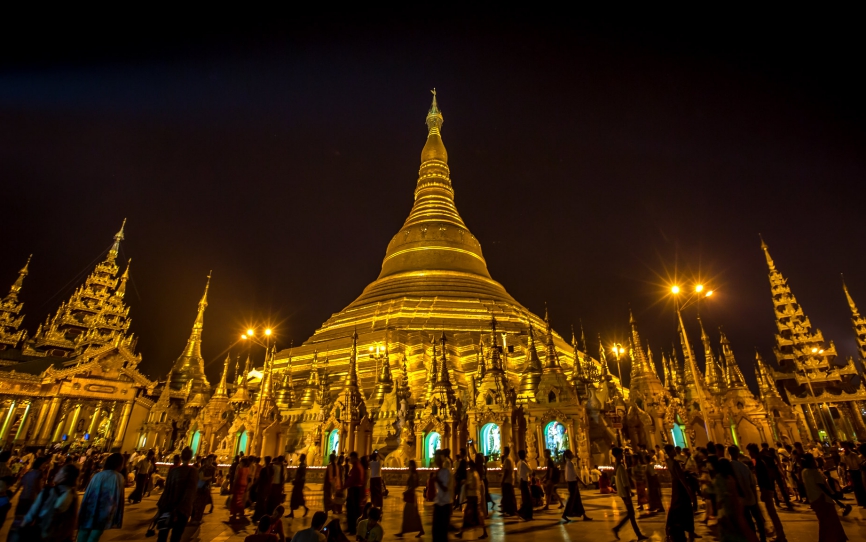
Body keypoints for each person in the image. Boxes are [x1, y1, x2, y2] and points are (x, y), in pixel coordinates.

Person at [21, 464, 80, 542]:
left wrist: (21, 530)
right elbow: (73, 521)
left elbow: (30, 515)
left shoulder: (48, 492)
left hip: (41, 535)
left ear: (64, 476)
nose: (56, 474)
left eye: (59, 472)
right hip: (61, 538)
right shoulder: (74, 496)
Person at [77, 453, 126, 542]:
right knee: (95, 535)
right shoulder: (118, 477)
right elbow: (118, 497)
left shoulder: (98, 475)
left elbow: (88, 494)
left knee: (83, 532)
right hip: (105, 510)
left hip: (90, 508)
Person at [801, 453, 848, 542]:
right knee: (832, 521)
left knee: (823, 522)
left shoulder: (804, 472)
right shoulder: (814, 472)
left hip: (813, 499)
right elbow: (823, 487)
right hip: (822, 499)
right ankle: (835, 538)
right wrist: (836, 499)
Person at [156, 447, 198, 542]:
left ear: (181, 456)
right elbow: (190, 492)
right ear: (191, 457)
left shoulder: (174, 471)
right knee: (176, 536)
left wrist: (160, 507)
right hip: (182, 509)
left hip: (168, 506)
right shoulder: (193, 472)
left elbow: (167, 490)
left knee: (162, 534)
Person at [747, 444, 787, 542]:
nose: (749, 454)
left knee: (772, 513)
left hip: (766, 489)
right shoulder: (760, 461)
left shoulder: (760, 462)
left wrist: (764, 490)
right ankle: (779, 534)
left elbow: (763, 478)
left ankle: (780, 535)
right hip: (767, 489)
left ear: (753, 451)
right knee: (771, 513)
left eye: (750, 452)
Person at [714, 459, 759, 542]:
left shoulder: (721, 479)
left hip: (728, 511)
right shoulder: (731, 478)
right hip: (735, 510)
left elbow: (724, 498)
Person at [728, 445, 765, 542]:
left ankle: (753, 538)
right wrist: (755, 498)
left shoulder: (729, 466)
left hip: (741, 499)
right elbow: (752, 483)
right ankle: (762, 537)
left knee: (748, 520)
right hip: (750, 496)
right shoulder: (744, 466)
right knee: (758, 518)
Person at [611, 446, 647, 541]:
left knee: (630, 514)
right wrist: (628, 495)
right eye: (621, 454)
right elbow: (625, 483)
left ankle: (619, 529)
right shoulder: (621, 467)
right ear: (618, 455)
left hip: (623, 493)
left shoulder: (616, 465)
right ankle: (635, 533)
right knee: (631, 514)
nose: (623, 456)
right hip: (625, 493)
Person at [664, 444, 695, 542]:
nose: (674, 452)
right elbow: (681, 477)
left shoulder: (668, 461)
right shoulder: (674, 463)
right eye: (673, 450)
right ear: (669, 452)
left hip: (675, 485)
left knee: (675, 506)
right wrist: (689, 490)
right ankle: (690, 530)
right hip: (680, 486)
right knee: (686, 507)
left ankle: (669, 528)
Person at [454, 457, 488, 539]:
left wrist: (466, 484)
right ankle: (462, 532)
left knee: (475, 515)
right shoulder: (472, 474)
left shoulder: (474, 474)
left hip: (474, 498)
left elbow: (473, 486)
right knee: (471, 515)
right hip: (472, 497)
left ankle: (463, 532)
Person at [396, 460, 424, 537]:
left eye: (409, 465)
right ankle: (418, 530)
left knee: (410, 513)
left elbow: (414, 485)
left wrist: (407, 491)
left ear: (412, 466)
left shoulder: (414, 474)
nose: (408, 466)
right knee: (412, 514)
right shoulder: (412, 473)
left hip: (411, 496)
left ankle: (403, 531)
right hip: (411, 495)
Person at [561, 450, 591, 522]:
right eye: (571, 453)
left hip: (571, 483)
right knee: (572, 500)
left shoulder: (568, 463)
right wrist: (583, 483)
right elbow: (575, 476)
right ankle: (565, 514)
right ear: (568, 455)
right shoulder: (570, 463)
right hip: (572, 484)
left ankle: (584, 515)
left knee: (577, 500)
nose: (573, 454)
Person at [432, 452, 453, 542]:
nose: (435, 460)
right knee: (435, 531)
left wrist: (437, 480)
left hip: (445, 504)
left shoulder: (446, 472)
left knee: (442, 532)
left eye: (437, 458)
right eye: (435, 458)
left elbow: (445, 489)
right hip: (438, 503)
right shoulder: (439, 472)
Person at [345, 452, 364, 535]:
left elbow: (351, 480)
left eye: (351, 458)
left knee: (352, 510)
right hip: (355, 490)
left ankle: (353, 529)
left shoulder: (356, 467)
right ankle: (351, 528)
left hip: (355, 490)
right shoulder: (357, 467)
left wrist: (343, 487)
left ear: (355, 458)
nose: (350, 460)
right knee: (352, 510)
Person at [287, 454, 309, 518]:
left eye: (300, 457)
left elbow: (301, 475)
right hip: (298, 483)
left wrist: (296, 481)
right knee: (297, 497)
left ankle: (304, 509)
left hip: (299, 484)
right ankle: (292, 512)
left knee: (296, 497)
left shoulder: (303, 466)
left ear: (303, 458)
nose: (299, 458)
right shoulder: (301, 465)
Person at [231, 457, 251, 521]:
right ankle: (241, 512)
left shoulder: (240, 469)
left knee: (236, 499)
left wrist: (233, 485)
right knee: (240, 499)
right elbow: (248, 478)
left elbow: (236, 478)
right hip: (244, 484)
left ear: (243, 463)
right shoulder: (248, 469)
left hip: (239, 484)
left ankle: (234, 513)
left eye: (241, 462)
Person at [253, 457, 273, 522]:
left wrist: (254, 485)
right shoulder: (271, 469)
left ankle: (258, 516)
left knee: (259, 502)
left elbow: (259, 478)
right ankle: (262, 515)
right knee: (263, 502)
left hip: (262, 486)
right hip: (268, 486)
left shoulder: (264, 469)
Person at [499, 447, 517, 516]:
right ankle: (507, 510)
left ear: (506, 451)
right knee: (509, 495)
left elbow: (506, 471)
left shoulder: (507, 460)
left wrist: (502, 480)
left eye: (504, 451)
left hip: (507, 480)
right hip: (510, 479)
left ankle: (509, 510)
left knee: (507, 496)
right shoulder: (511, 459)